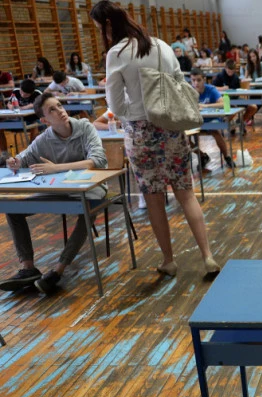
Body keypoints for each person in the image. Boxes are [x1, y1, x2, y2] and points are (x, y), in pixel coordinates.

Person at [92, 0, 220, 278]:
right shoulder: (161, 45)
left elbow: (115, 103)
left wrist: (135, 113)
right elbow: (179, 81)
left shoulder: (117, 53)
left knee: (154, 199)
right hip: (170, 126)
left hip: (141, 133)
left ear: (108, 25)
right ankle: (208, 256)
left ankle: (169, 260)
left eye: (100, 27)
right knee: (186, 194)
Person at [0, 92, 108, 295]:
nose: (60, 110)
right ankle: (28, 268)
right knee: (12, 209)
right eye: (52, 110)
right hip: (61, 190)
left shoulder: (85, 127)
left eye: (59, 105)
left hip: (93, 188)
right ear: (44, 120)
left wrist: (56, 168)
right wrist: (15, 162)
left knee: (86, 209)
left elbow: (98, 161)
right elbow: (24, 157)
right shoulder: (44, 138)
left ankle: (58, 271)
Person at [190, 68, 235, 170]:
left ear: (204, 79)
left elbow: (222, 104)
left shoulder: (211, 89)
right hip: (197, 120)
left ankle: (227, 157)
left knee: (215, 130)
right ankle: (202, 156)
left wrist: (205, 106)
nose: (196, 83)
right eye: (193, 80)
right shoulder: (189, 91)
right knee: (184, 136)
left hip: (211, 119)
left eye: (198, 80)